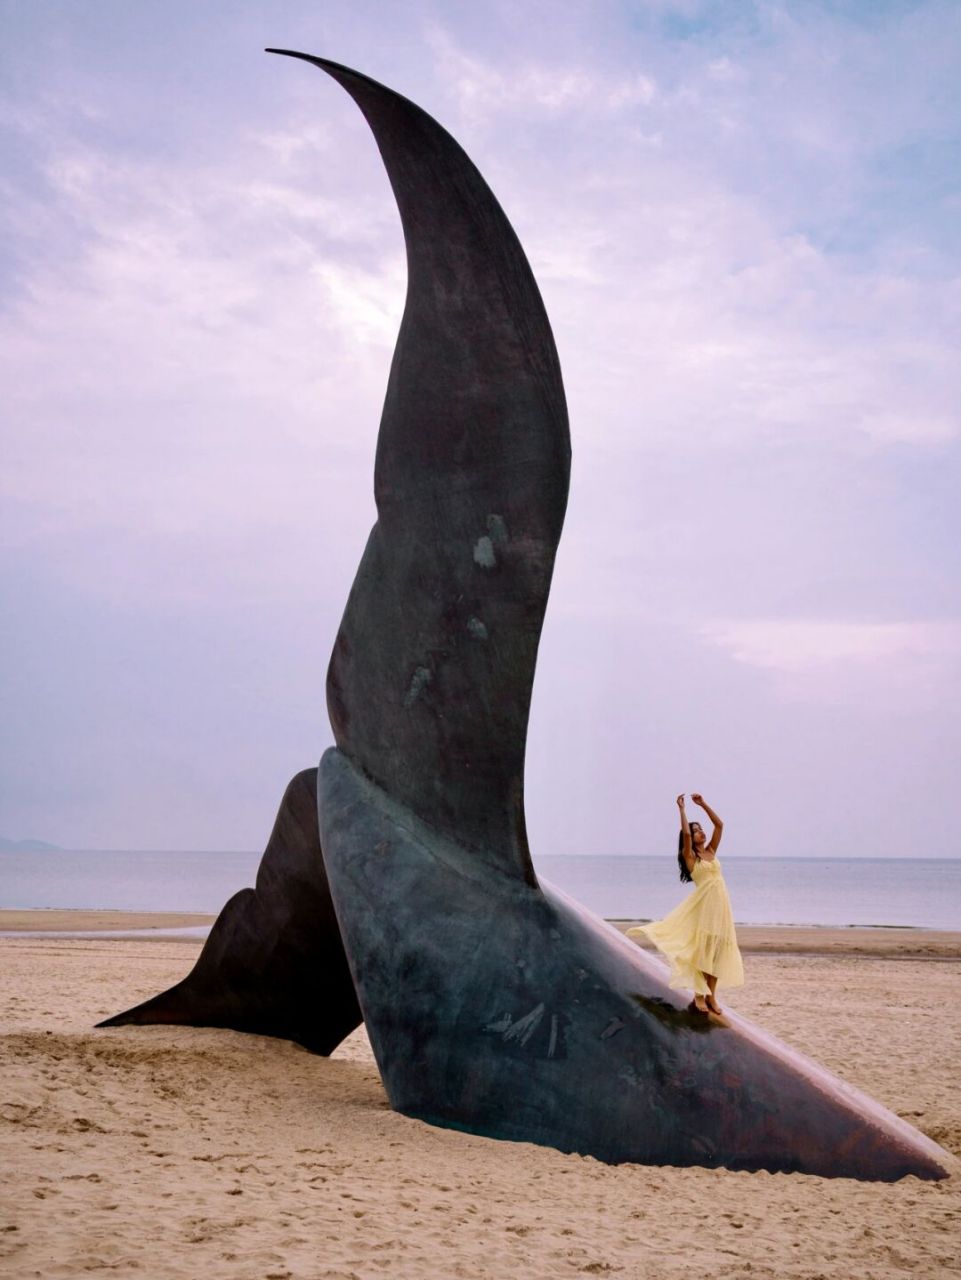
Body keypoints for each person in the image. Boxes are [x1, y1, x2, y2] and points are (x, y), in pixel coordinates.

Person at [627, 793, 743, 1015]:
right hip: (704, 907)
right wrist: (682, 810)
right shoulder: (690, 855)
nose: (701, 831)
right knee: (703, 951)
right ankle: (699, 995)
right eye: (697, 829)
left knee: (717, 952)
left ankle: (712, 996)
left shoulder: (711, 851)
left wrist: (703, 804)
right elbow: (687, 835)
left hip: (722, 906)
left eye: (701, 829)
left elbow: (720, 825)